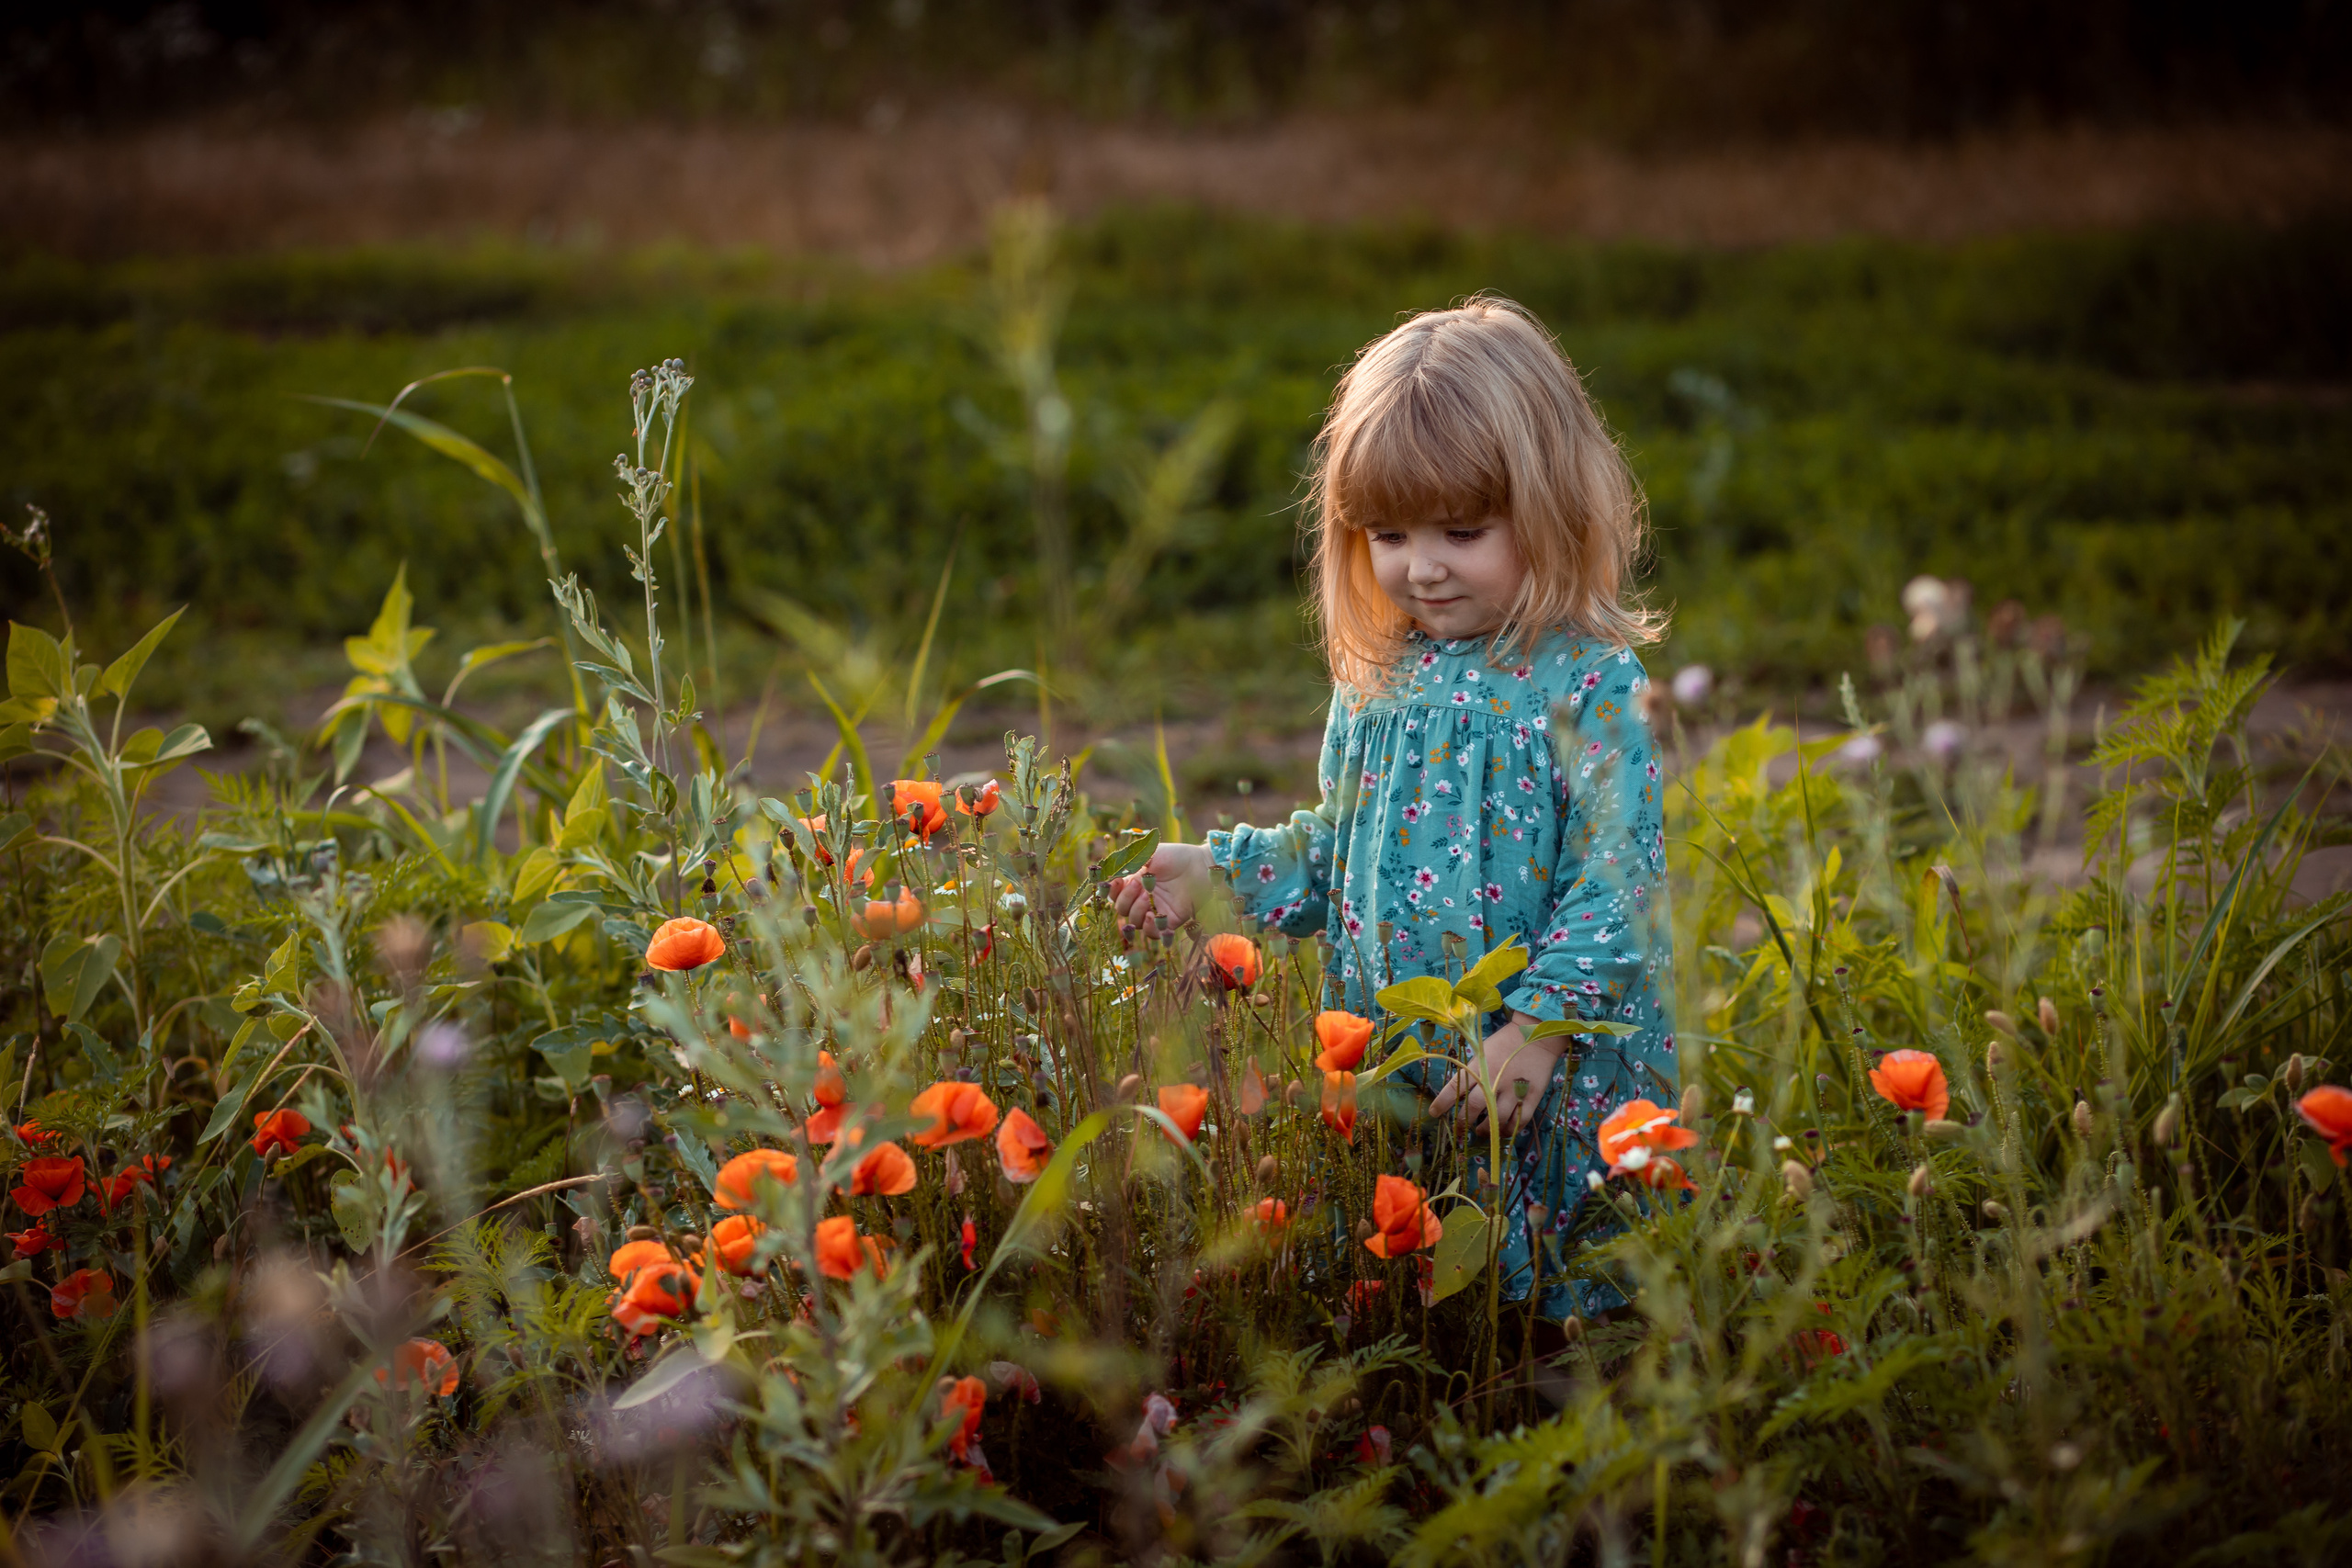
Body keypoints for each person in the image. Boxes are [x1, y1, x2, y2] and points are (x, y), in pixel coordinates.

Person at [1110, 296, 1677, 1324]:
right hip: (1405, 1059)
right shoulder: (1381, 682)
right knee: (1428, 1282)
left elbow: (1619, 882)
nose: (1422, 565)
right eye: (1389, 532)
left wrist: (1538, 1030)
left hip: (1543, 1073)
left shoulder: (1591, 684)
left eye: (1463, 529)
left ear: (1549, 507)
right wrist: (1225, 873)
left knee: (1561, 1305)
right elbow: (1340, 848)